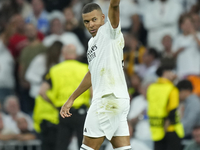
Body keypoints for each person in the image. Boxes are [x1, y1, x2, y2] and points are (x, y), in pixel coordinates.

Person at [60, 2, 131, 150]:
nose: (91, 24)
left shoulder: (110, 31)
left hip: (106, 99)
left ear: (103, 18)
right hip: (118, 101)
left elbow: (115, 7)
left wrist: (114, 3)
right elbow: (92, 73)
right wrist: (71, 98)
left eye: (94, 19)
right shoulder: (92, 42)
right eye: (86, 21)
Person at [39, 44, 90, 150]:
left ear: (63, 54)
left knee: (61, 145)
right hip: (80, 112)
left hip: (63, 113)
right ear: (76, 55)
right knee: (84, 145)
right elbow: (93, 93)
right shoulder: (85, 68)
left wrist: (54, 104)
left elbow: (42, 92)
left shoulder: (55, 70)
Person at [147, 66, 184, 150]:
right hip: (170, 129)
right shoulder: (172, 89)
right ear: (165, 72)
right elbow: (172, 112)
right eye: (172, 71)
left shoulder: (151, 88)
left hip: (156, 129)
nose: (174, 74)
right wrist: (165, 129)